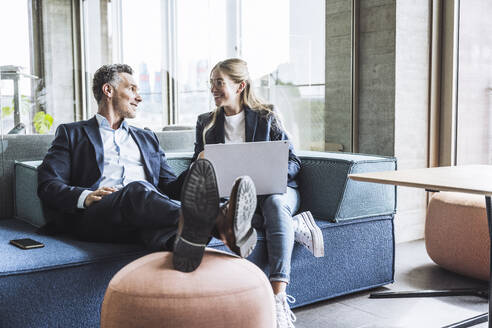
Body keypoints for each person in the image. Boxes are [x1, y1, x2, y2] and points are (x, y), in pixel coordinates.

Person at [37, 63, 258, 273]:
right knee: (138, 190)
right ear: (108, 90)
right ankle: (219, 222)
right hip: (98, 215)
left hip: (144, 212)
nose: (139, 97)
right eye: (132, 89)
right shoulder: (72, 133)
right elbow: (48, 184)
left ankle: (183, 244)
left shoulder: (146, 138)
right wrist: (85, 196)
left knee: (157, 217)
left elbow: (169, 188)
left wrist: (198, 164)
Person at [194, 58, 324, 328]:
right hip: (235, 195)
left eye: (220, 82)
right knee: (226, 213)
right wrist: (201, 161)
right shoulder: (205, 123)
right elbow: (199, 168)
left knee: (275, 205)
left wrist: (274, 175)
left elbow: (294, 162)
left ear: (240, 86)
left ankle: (278, 296)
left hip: (276, 190)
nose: (213, 89)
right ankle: (294, 224)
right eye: (211, 83)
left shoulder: (267, 116)